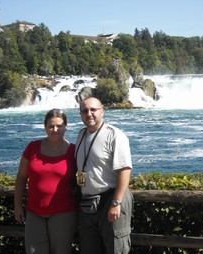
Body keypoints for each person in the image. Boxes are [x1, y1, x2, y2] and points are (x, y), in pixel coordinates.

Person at [14, 108, 78, 254]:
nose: (55, 129)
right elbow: (21, 178)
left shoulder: (74, 151)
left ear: (66, 127)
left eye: (59, 126)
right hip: (34, 213)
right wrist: (18, 206)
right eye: (51, 126)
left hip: (64, 213)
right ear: (45, 127)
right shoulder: (32, 147)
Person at [75, 96, 133, 254]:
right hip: (88, 203)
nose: (89, 114)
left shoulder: (114, 135)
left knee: (116, 248)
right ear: (80, 114)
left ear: (102, 112)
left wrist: (116, 202)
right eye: (85, 111)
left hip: (111, 200)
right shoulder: (81, 135)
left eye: (93, 110)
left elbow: (124, 170)